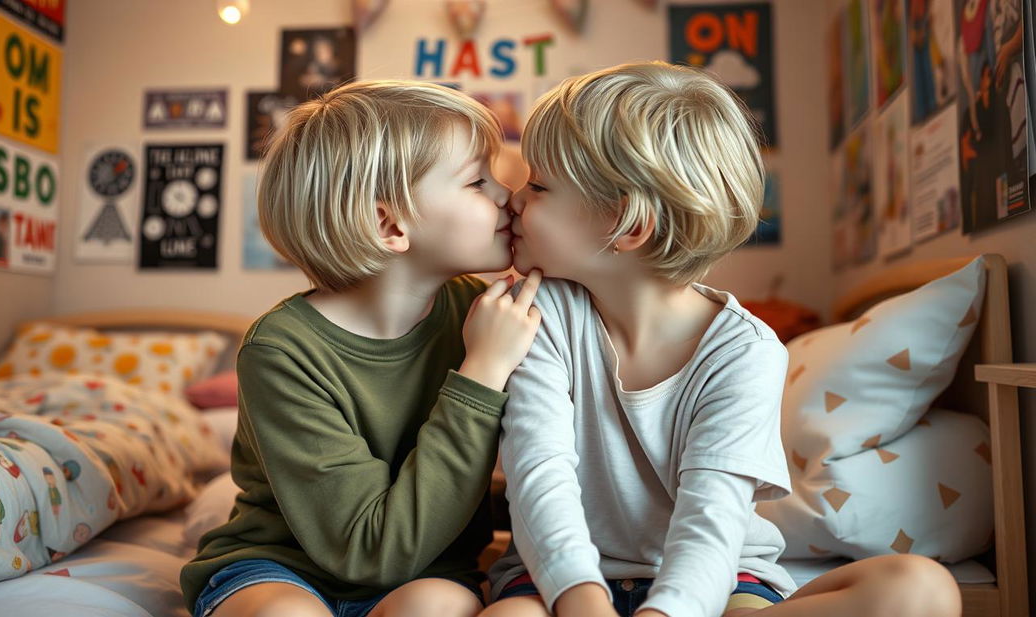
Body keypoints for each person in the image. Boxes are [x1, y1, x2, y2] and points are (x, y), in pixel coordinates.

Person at [482, 62, 961, 617]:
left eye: (537, 186)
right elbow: (540, 476)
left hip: (716, 578)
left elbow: (710, 522)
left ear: (628, 226)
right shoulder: (536, 315)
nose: (512, 200)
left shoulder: (745, 351)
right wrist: (582, 602)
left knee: (918, 589)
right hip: (560, 581)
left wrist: (668, 612)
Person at [180, 80, 543, 617]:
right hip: (280, 566)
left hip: (428, 570)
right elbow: (368, 550)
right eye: (477, 181)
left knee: (438, 606)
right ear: (389, 224)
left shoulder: (489, 311)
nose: (506, 195)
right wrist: (483, 370)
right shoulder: (281, 350)